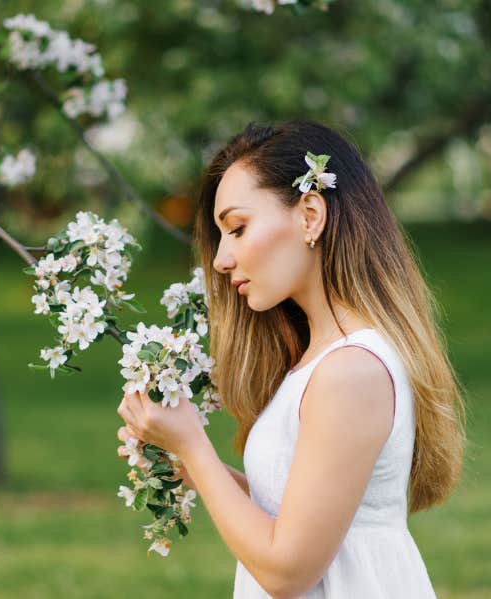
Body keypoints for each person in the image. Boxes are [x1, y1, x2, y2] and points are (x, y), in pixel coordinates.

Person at [117, 120, 465, 598]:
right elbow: (294, 513)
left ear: (309, 215)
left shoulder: (351, 371)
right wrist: (189, 463)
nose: (220, 260)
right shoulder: (321, 360)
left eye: (237, 229)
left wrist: (195, 446)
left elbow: (288, 570)